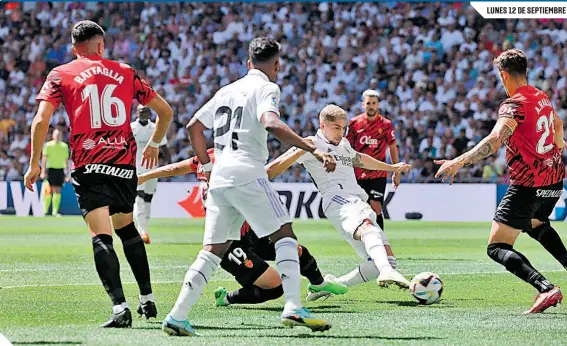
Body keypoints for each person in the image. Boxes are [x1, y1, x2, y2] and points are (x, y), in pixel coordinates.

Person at [162, 37, 336, 336]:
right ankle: (294, 306)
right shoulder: (267, 87)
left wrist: (205, 166)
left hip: (219, 178)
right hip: (247, 171)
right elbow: (270, 123)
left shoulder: (225, 90)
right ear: (277, 65)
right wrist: (313, 150)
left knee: (213, 250)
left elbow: (193, 127)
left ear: (248, 62)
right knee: (285, 235)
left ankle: (178, 316)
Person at [24, 20, 174, 327]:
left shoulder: (60, 74)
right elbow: (166, 111)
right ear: (101, 45)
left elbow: (41, 121)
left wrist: (34, 163)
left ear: (73, 47)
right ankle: (148, 299)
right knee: (127, 228)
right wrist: (155, 143)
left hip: (89, 163)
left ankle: (120, 307)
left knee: (101, 235)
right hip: (122, 163)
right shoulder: (126, 71)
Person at [434, 48, 567, 314]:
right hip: (554, 181)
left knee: (497, 246)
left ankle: (545, 288)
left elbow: (496, 140)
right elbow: (558, 124)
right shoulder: (541, 96)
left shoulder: (513, 105)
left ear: (504, 75)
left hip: (528, 185)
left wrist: (458, 161)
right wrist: (557, 144)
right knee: (537, 225)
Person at [137, 148, 348, 307]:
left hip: (251, 231)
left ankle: (319, 285)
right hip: (228, 242)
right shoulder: (209, 158)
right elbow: (175, 168)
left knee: (296, 250)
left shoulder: (235, 160)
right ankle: (226, 298)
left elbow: (268, 172)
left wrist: (298, 149)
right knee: (275, 287)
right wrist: (145, 176)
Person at [266, 104, 412, 302]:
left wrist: (391, 168)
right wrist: (291, 156)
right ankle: (386, 272)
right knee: (368, 227)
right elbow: (273, 168)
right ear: (322, 125)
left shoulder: (343, 144)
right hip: (337, 198)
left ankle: (330, 285)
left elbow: (360, 159)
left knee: (386, 259)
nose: (340, 132)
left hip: (356, 199)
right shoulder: (310, 143)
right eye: (336, 127)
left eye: (343, 128)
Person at [345, 90, 400, 230]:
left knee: (376, 206)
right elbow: (345, 146)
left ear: (378, 105)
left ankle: (381, 239)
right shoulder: (354, 123)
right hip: (358, 173)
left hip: (378, 173)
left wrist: (396, 171)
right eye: (368, 103)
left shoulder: (386, 125)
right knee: (360, 209)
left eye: (374, 103)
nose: (371, 106)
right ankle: (364, 238)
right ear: (363, 104)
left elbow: (393, 148)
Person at [131, 105, 170, 244]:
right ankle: (142, 231)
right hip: (136, 167)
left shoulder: (155, 127)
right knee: (139, 196)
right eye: (141, 111)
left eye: (146, 111)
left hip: (153, 168)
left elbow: (164, 147)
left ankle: (144, 227)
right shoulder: (131, 128)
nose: (144, 113)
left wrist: (168, 164)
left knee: (148, 198)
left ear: (150, 113)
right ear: (136, 112)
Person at [41, 128, 69, 216]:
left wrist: (67, 173)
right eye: (56, 135)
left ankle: (54, 212)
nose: (57, 137)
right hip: (50, 169)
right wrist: (43, 171)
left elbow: (66, 160)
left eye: (59, 135)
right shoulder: (48, 145)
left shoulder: (64, 146)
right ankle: (45, 211)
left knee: (57, 190)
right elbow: (44, 159)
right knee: (48, 190)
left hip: (60, 170)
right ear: (53, 135)